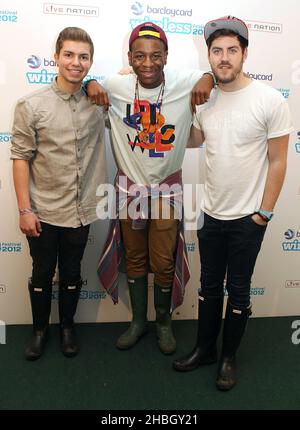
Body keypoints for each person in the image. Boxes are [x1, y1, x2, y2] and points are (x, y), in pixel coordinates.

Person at [173, 16, 293, 389]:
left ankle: (228, 358)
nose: (224, 58)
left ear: (244, 54)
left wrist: (264, 213)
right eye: (216, 51)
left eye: (231, 50)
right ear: (208, 55)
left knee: (238, 289)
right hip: (210, 213)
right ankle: (205, 349)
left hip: (248, 217)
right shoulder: (203, 100)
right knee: (209, 286)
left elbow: (279, 159)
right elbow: (191, 141)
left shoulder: (269, 100)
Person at [87, 22, 215, 354]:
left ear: (166, 57)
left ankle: (163, 323)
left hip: (166, 192)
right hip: (129, 191)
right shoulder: (117, 84)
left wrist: (208, 78)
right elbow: (92, 82)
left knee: (163, 260)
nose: (148, 63)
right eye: (140, 56)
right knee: (134, 257)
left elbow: (210, 76)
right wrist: (89, 84)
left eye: (156, 56)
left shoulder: (183, 81)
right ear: (129, 57)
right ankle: (138, 322)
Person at [11, 27, 107, 360]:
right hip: (43, 210)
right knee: (41, 272)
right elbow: (20, 158)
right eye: (69, 54)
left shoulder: (100, 101)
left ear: (91, 62)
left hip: (80, 211)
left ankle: (67, 327)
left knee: (72, 272)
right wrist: (25, 210)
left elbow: (132, 78)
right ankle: (40, 331)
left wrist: (97, 84)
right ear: (56, 57)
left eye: (83, 57)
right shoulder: (30, 105)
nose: (76, 63)